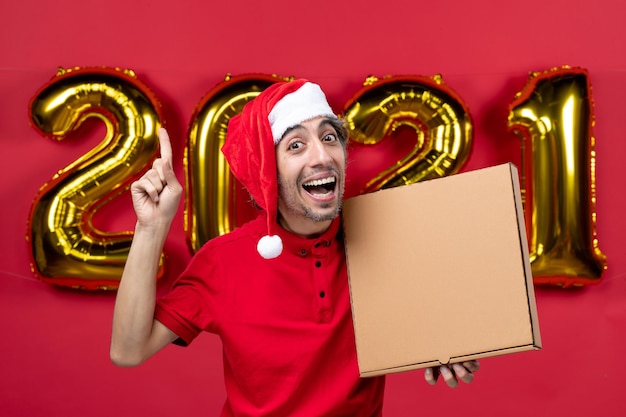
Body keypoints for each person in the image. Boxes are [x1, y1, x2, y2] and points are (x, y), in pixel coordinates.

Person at [110, 79, 479, 416]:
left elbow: (432, 318)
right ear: (267, 172)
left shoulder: (382, 238)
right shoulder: (224, 261)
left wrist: (441, 342)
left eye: (329, 138)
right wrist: (151, 227)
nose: (321, 156)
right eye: (297, 145)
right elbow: (128, 351)